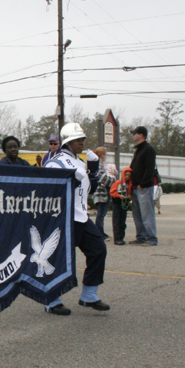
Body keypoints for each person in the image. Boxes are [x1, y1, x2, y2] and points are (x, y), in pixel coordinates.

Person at [44, 123, 109, 313]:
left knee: (98, 250)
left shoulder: (80, 163)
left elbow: (89, 191)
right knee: (57, 260)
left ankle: (89, 295)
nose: (82, 143)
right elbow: (51, 191)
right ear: (68, 142)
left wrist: (94, 170)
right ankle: (52, 300)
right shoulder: (55, 162)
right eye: (78, 140)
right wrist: (72, 179)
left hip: (81, 217)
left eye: (83, 140)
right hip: (62, 218)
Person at [128, 126, 158, 246]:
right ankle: (141, 237)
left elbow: (149, 169)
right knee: (137, 214)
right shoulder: (138, 150)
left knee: (147, 214)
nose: (133, 135)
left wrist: (143, 184)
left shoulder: (148, 149)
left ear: (141, 135)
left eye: (135, 133)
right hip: (135, 187)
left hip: (144, 187)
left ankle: (151, 238)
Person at [91, 148, 116, 240]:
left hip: (103, 191)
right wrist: (113, 178)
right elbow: (103, 179)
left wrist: (114, 173)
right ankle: (99, 233)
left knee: (102, 213)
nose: (106, 156)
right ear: (102, 155)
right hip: (101, 192)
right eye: (105, 154)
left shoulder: (103, 165)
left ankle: (99, 232)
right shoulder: (98, 165)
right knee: (101, 213)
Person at [110, 168, 132, 246]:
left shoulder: (130, 185)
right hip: (117, 204)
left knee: (122, 222)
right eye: (126, 175)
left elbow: (131, 193)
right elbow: (112, 192)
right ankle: (117, 238)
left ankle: (121, 237)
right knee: (116, 222)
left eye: (129, 175)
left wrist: (130, 197)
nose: (127, 177)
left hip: (124, 205)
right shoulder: (118, 182)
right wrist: (119, 195)